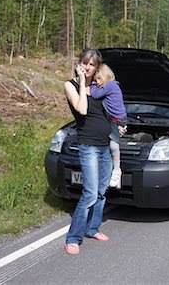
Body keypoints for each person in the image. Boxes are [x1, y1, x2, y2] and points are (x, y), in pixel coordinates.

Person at [63, 48, 122, 256]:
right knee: (89, 193)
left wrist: (118, 125)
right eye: (85, 63)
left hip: (105, 145)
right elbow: (82, 109)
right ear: (79, 63)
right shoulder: (70, 86)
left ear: (97, 67)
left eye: (92, 65)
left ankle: (92, 228)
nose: (88, 68)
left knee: (101, 192)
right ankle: (72, 238)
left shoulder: (99, 85)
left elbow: (108, 111)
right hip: (88, 146)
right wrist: (80, 81)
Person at [90, 64, 127, 189]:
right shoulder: (108, 86)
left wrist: (91, 84)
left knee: (113, 145)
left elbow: (94, 94)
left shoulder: (110, 85)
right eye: (95, 80)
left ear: (105, 76)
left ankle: (117, 170)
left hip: (117, 120)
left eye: (98, 79)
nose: (97, 82)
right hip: (112, 120)